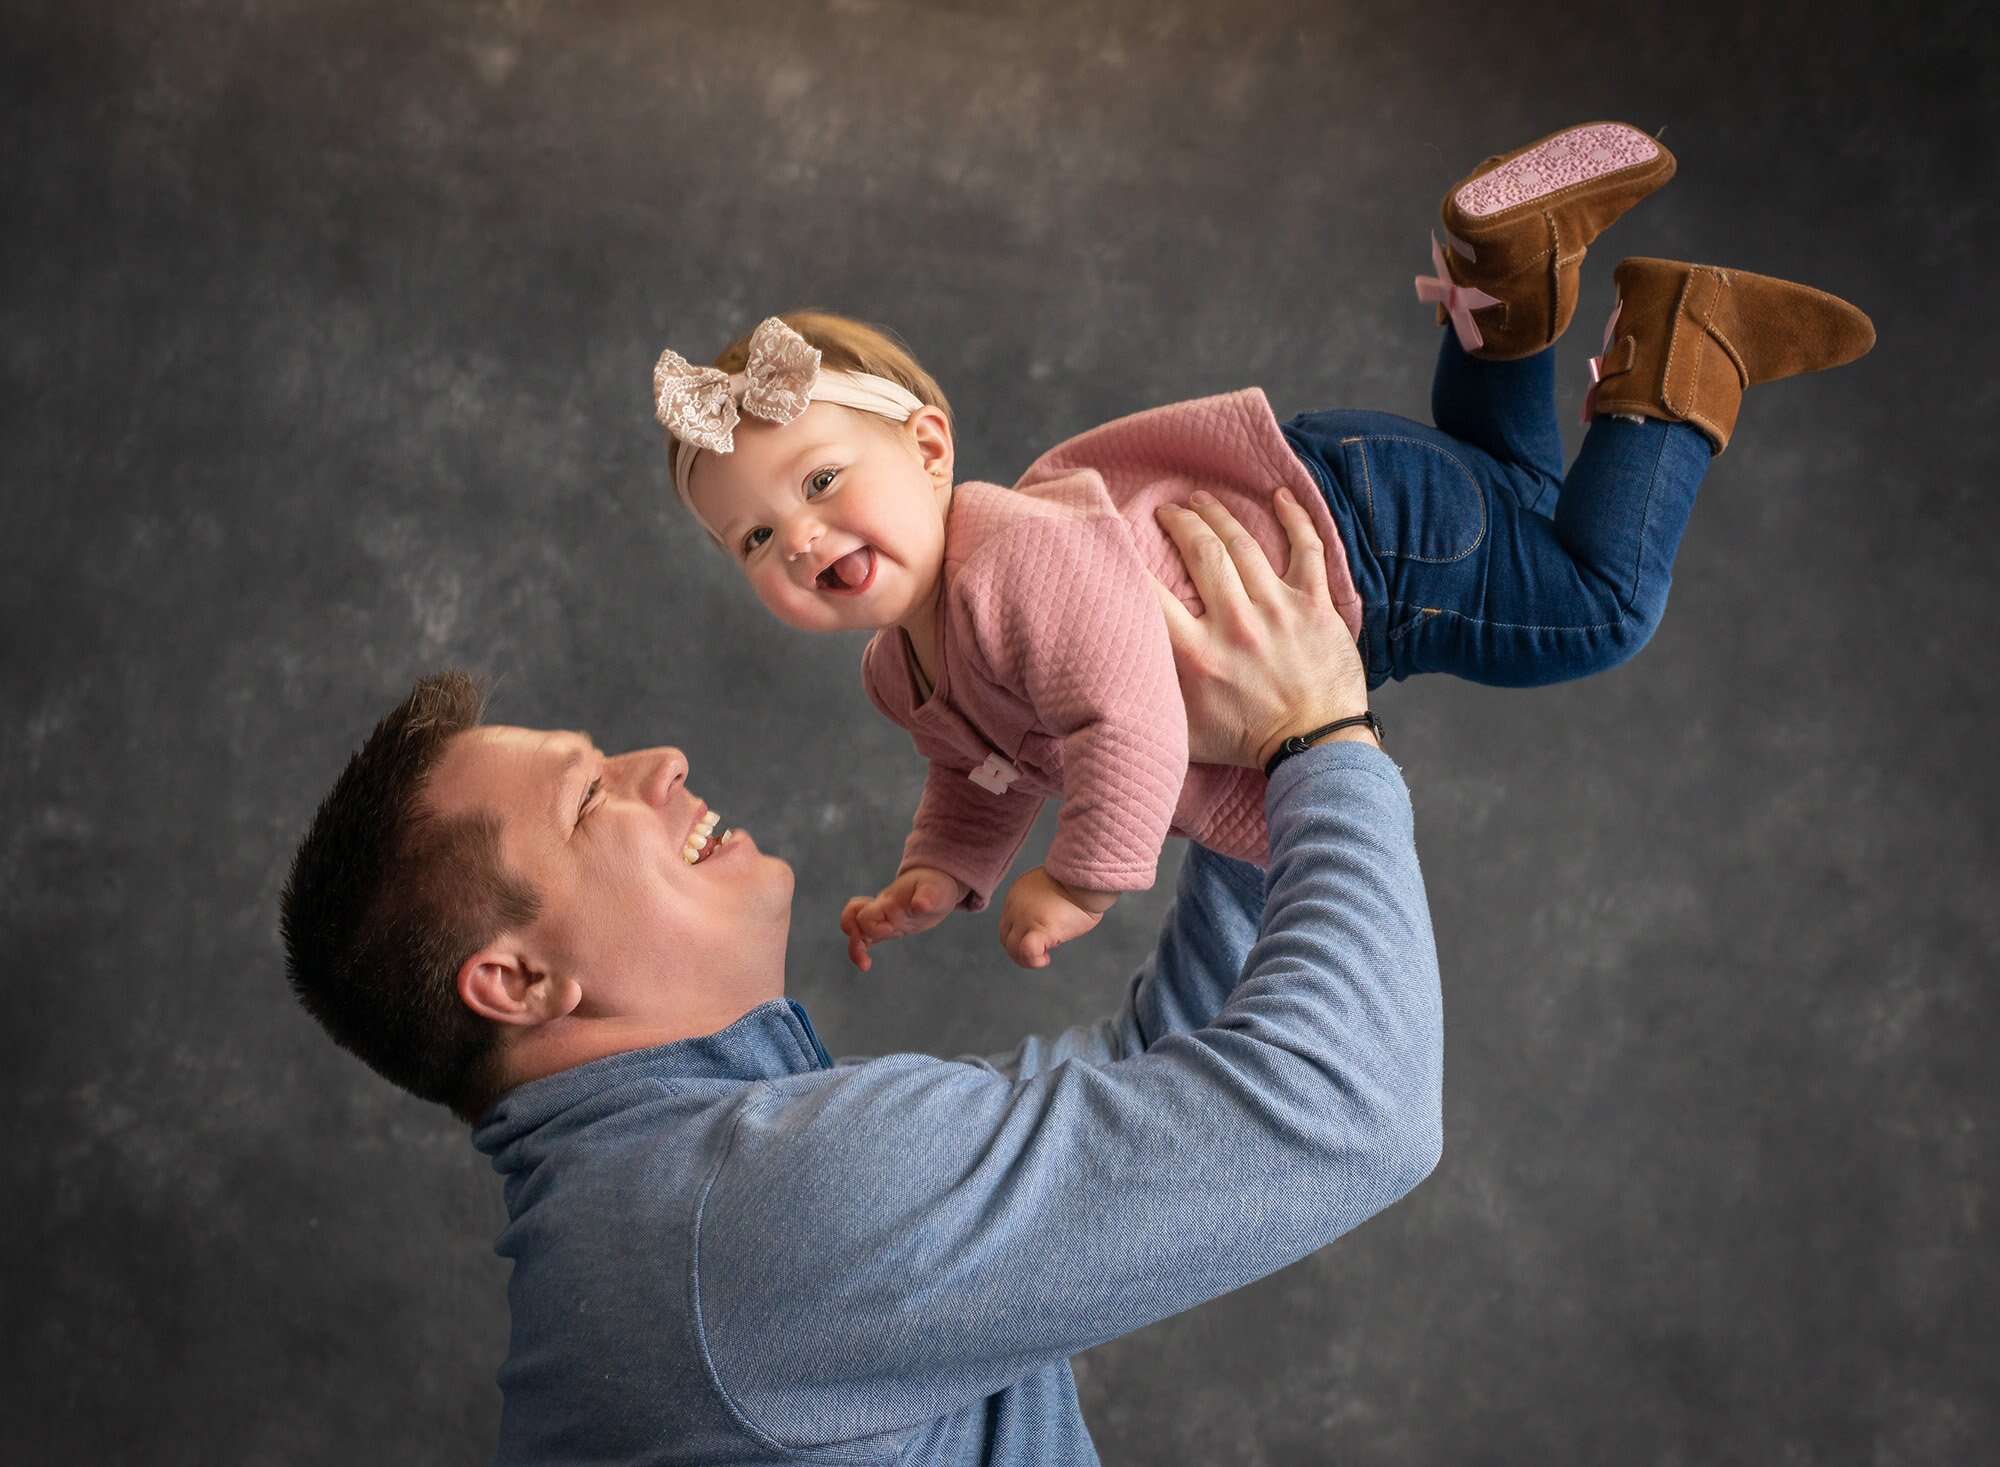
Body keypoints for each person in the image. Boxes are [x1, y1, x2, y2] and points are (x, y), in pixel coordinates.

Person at [281, 492, 1443, 1466]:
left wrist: (1239, 767)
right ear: (518, 980)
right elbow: (1348, 1113)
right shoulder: (749, 1220)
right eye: (591, 799)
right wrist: (1316, 743)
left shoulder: (679, 1204)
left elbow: (1158, 1088)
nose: (663, 762)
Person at [651, 120, 1876, 970]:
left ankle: (1683, 342)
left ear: (929, 448)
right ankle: (1502, 272)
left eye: (819, 482)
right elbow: (988, 766)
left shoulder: (1009, 559)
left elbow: (1122, 718)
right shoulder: (901, 671)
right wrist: (945, 872)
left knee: (1597, 604)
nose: (801, 537)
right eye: (756, 536)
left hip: (1371, 555)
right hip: (1353, 495)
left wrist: (1077, 882)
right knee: (1511, 482)